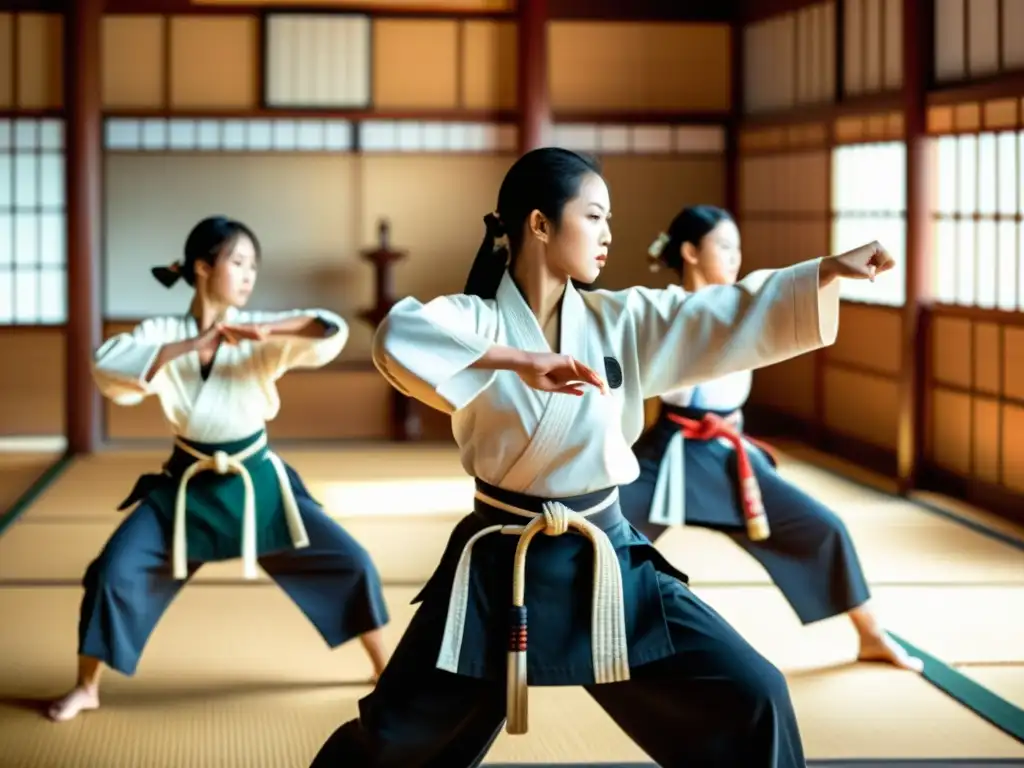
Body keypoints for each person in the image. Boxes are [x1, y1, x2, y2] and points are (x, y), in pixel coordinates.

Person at [309, 147, 894, 767]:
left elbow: (718, 312)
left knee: (753, 695)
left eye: (608, 219)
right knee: (393, 743)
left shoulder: (622, 319)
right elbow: (397, 338)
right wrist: (522, 360)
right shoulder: (473, 319)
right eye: (593, 217)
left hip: (608, 560)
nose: (609, 234)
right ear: (538, 224)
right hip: (497, 569)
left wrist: (823, 272)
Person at [47, 215, 391, 723]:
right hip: (187, 487)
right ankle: (87, 687)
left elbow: (327, 328)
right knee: (114, 572)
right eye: (238, 262)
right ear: (203, 267)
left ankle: (384, 670)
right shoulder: (163, 332)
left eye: (254, 265)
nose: (249, 275)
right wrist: (195, 346)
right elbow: (109, 363)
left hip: (257, 483)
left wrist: (266, 328)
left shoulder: (261, 331)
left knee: (352, 561)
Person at [619, 204, 923, 673]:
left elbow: (780, 293)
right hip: (669, 453)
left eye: (739, 246)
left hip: (726, 455)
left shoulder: (744, 305)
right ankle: (539, 637)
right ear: (689, 252)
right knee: (598, 533)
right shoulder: (661, 308)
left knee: (822, 527)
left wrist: (831, 270)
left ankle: (871, 635)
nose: (736, 256)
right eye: (724, 246)